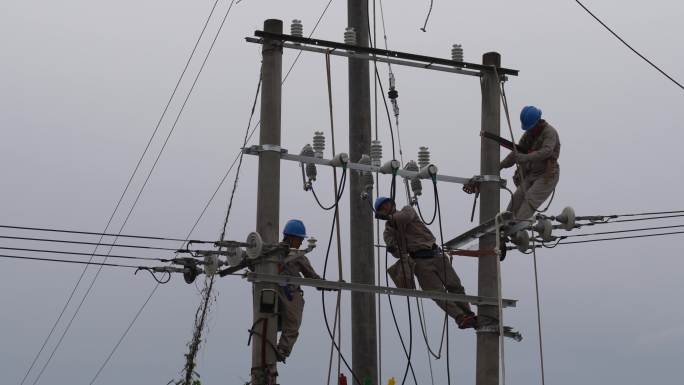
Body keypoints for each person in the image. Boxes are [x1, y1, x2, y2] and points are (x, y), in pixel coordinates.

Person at [375, 197, 477, 329]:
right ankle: (460, 317)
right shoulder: (388, 232)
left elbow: (403, 218)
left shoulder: (407, 210)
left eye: (387, 205)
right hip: (419, 262)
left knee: (454, 285)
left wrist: (389, 218)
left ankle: (468, 314)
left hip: (436, 255)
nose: (386, 208)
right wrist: (392, 248)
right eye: (383, 208)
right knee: (437, 293)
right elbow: (397, 252)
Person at [500, 105, 561, 220]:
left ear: (538, 122)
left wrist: (525, 158)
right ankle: (506, 224)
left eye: (531, 127)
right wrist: (500, 165)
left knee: (530, 198)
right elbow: (516, 152)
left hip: (547, 174)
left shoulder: (549, 132)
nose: (530, 130)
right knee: (517, 198)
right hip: (532, 174)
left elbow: (546, 151)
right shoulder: (529, 134)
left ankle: (518, 226)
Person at [275, 219, 321, 362]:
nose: (301, 243)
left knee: (284, 322)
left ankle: (278, 348)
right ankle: (280, 349)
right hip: (287, 293)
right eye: (300, 239)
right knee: (292, 323)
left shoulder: (273, 252)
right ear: (292, 237)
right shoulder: (290, 255)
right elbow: (313, 278)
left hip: (278, 292)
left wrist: (329, 285)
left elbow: (313, 278)